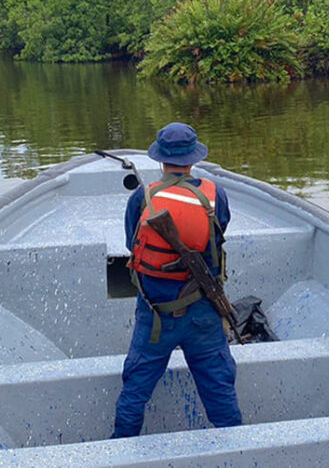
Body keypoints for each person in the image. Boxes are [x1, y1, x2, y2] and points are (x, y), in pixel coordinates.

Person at [112, 122, 242, 438]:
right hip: (204, 311)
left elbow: (133, 246)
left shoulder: (142, 198)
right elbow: (218, 235)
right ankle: (238, 447)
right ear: (192, 159)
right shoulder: (215, 196)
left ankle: (121, 446)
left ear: (161, 160)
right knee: (220, 389)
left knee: (135, 388)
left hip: (156, 315)